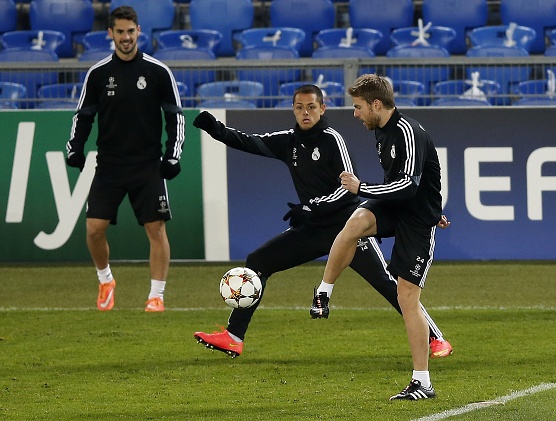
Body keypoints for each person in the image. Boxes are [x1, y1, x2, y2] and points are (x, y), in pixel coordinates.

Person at [191, 84, 452, 359]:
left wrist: (313, 205)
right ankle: (233, 337)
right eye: (299, 107)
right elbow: (249, 141)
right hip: (313, 228)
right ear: (293, 110)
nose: (305, 112)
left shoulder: (332, 139)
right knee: (258, 261)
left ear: (322, 109)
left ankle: (435, 337)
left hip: (347, 227)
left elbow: (348, 189)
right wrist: (216, 129)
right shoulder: (288, 141)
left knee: (388, 283)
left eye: (311, 107)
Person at [311, 74, 447, 401]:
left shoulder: (408, 132)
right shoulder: (381, 130)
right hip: (396, 207)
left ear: (376, 104)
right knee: (355, 223)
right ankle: (323, 292)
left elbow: (410, 185)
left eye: (358, 107)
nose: (355, 113)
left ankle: (422, 382)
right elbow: (403, 183)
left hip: (416, 220)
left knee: (406, 298)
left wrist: (362, 188)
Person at [65, 6, 185, 312]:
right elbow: (83, 116)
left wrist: (172, 155)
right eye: (120, 32)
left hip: (148, 164)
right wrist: (75, 148)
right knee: (94, 229)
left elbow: (175, 116)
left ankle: (156, 296)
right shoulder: (98, 73)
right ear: (111, 33)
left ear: (138, 31)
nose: (126, 37)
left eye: (130, 31)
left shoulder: (158, 72)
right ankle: (106, 280)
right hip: (109, 165)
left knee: (156, 229)